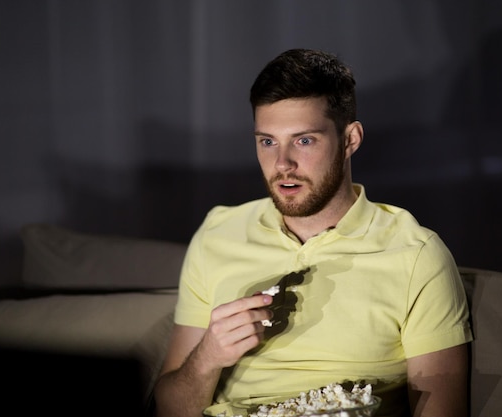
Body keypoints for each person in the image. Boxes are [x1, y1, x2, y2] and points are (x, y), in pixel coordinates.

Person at [153, 48, 473, 417]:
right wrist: (208, 356)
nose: (282, 164)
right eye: (267, 141)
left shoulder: (416, 255)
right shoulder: (218, 233)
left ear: (350, 140)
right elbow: (170, 409)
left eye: (304, 141)